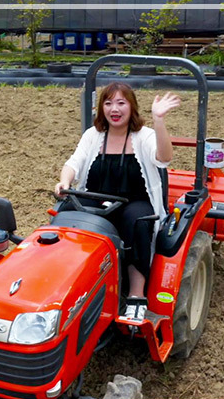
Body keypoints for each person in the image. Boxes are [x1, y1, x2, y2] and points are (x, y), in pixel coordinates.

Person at [55, 82, 180, 322]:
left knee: (138, 222)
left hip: (134, 200)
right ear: (101, 107)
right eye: (109, 102)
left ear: (131, 107)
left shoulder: (144, 136)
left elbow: (164, 158)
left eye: (121, 102)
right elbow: (75, 162)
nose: (115, 108)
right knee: (66, 214)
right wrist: (64, 181)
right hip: (96, 198)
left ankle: (135, 293)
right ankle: (71, 278)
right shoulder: (93, 135)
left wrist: (159, 120)